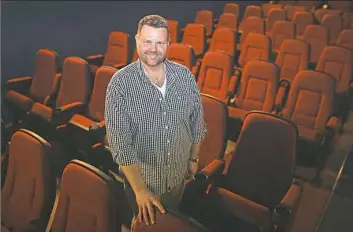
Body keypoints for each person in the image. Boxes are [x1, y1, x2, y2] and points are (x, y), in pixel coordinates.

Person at [104, 14, 207, 229]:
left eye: (160, 42)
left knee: (170, 222)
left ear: (168, 44)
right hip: (143, 181)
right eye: (147, 41)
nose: (153, 48)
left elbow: (197, 122)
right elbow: (120, 144)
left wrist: (193, 159)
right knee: (143, 226)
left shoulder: (185, 76)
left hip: (177, 177)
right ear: (137, 41)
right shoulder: (120, 84)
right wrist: (140, 189)